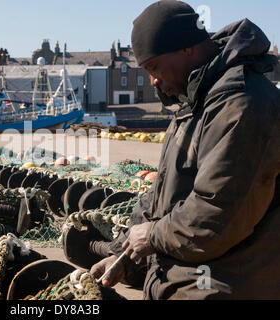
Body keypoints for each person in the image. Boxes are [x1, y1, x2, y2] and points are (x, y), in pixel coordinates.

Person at [91, 0, 280, 299]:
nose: (153, 79)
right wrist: (121, 253)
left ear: (187, 48)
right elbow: (162, 193)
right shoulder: (196, 102)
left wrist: (151, 236)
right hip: (189, 269)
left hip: (228, 281)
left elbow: (218, 215)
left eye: (153, 66)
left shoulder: (241, 105)